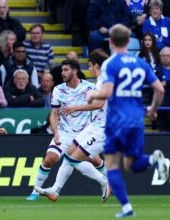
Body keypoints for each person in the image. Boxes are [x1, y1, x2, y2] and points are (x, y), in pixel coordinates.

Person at [86, 24, 170, 218]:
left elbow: (106, 92)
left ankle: (126, 207)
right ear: (129, 41)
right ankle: (154, 160)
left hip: (116, 121)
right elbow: (160, 90)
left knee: (112, 164)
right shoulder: (140, 63)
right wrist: (153, 110)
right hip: (136, 121)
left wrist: (93, 94)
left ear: (111, 41)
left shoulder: (111, 63)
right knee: (131, 164)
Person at [32, 49, 110, 202]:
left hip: (103, 127)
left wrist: (76, 108)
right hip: (94, 126)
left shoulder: (101, 81)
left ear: (96, 65)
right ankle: (55, 190)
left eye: (90, 66)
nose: (89, 69)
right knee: (69, 156)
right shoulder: (103, 80)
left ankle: (105, 181)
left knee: (74, 159)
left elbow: (99, 104)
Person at [157, 47, 170, 131]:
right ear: (160, 57)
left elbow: (162, 84)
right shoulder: (156, 70)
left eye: (168, 56)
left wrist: (166, 83)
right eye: (163, 56)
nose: (165, 57)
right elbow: (156, 85)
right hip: (161, 97)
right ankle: (163, 130)